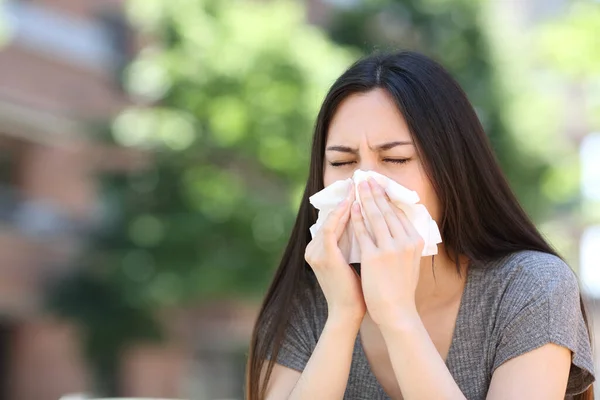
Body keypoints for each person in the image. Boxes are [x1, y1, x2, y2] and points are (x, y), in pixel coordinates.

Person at [245, 51, 596, 400]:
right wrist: (342, 316)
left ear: (451, 168)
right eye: (343, 161)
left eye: (395, 158)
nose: (365, 183)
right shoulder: (308, 296)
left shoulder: (529, 288)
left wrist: (398, 316)